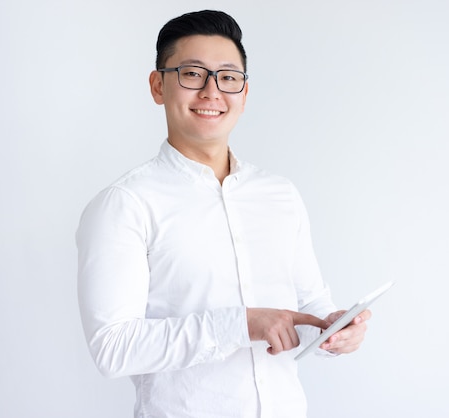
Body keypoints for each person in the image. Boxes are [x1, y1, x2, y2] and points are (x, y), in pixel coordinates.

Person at [76, 10, 371, 418]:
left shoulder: (279, 195)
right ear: (158, 85)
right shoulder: (124, 204)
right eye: (193, 74)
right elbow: (113, 348)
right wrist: (240, 325)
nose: (212, 92)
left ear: (244, 94)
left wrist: (334, 329)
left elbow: (310, 304)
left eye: (228, 78)